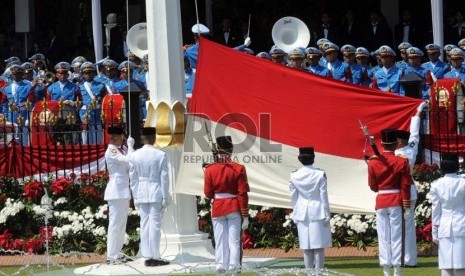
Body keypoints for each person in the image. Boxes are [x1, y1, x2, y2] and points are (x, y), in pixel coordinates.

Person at [368, 129, 412, 276]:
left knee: (383, 236)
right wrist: (407, 207)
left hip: (381, 200)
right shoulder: (401, 161)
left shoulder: (374, 162)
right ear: (396, 144)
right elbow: (405, 185)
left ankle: (386, 269)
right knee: (396, 236)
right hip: (396, 200)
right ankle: (397, 270)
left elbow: (373, 186)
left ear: (381, 144)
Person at [204, 136, 250, 273]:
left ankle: (221, 266)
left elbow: (208, 193)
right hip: (234, 207)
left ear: (217, 150)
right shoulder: (239, 168)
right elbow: (242, 193)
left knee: (220, 240)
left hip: (218, 207)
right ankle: (234, 267)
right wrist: (245, 215)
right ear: (231, 150)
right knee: (234, 241)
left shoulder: (210, 169)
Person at [129, 127, 170, 267]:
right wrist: (165, 196)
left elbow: (133, 179)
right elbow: (164, 178)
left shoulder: (135, 155)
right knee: (155, 224)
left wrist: (135, 196)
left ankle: (146, 254)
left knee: (144, 223)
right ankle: (155, 255)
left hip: (141, 190)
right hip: (155, 190)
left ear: (142, 138)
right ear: (154, 138)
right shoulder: (160, 154)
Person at [395, 101, 429, 267]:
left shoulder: (394, 154)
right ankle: (409, 259)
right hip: (410, 192)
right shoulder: (411, 149)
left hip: (398, 192)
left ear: (399, 142)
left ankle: (400, 259)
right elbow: (415, 134)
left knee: (397, 228)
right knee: (407, 227)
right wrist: (418, 111)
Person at [289, 147, 332, 272]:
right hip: (318, 210)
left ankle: (310, 273)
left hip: (301, 211)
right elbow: (324, 195)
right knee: (318, 246)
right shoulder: (320, 173)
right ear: (313, 158)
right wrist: (327, 213)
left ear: (300, 159)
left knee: (306, 247)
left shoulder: (294, 175)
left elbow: (294, 197)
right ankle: (318, 273)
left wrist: (295, 213)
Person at [430, 153, 465, 276]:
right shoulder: (463, 183)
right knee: (461, 264)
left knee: (446, 264)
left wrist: (434, 230)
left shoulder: (436, 184)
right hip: (461, 224)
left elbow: (436, 210)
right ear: (457, 166)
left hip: (444, 226)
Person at [104, 125, 134, 264]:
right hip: (115, 191)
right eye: (112, 136)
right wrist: (131, 147)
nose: (113, 138)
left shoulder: (124, 150)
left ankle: (117, 252)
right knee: (115, 223)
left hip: (123, 191)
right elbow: (127, 160)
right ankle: (111, 255)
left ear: (121, 136)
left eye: (116, 136)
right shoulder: (111, 150)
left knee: (122, 223)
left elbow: (130, 165)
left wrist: (129, 149)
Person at [78, 62, 106, 144]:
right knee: (86, 133)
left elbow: (104, 100)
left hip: (97, 112)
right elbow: (79, 101)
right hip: (85, 113)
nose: (88, 75)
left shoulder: (101, 86)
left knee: (98, 133)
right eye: (85, 73)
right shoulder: (80, 87)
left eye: (90, 72)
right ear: (83, 74)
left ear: (94, 73)